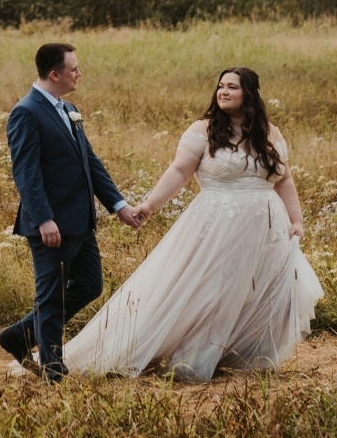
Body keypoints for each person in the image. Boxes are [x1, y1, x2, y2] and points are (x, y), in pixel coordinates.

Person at [57, 64, 321, 379]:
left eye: (232, 87)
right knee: (212, 291)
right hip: (217, 225)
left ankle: (248, 355)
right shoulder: (204, 129)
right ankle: (192, 359)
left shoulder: (270, 132)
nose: (223, 91)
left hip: (266, 227)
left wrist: (297, 220)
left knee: (265, 290)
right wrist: (150, 204)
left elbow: (284, 180)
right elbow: (179, 172)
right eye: (221, 86)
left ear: (250, 93)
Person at [0, 42, 145, 380]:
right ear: (55, 74)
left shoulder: (68, 108)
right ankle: (52, 368)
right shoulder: (26, 112)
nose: (79, 74)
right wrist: (44, 218)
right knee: (50, 297)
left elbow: (89, 162)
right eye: (74, 69)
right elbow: (27, 173)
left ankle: (19, 335)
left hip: (81, 220)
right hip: (51, 225)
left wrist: (118, 206)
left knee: (91, 285)